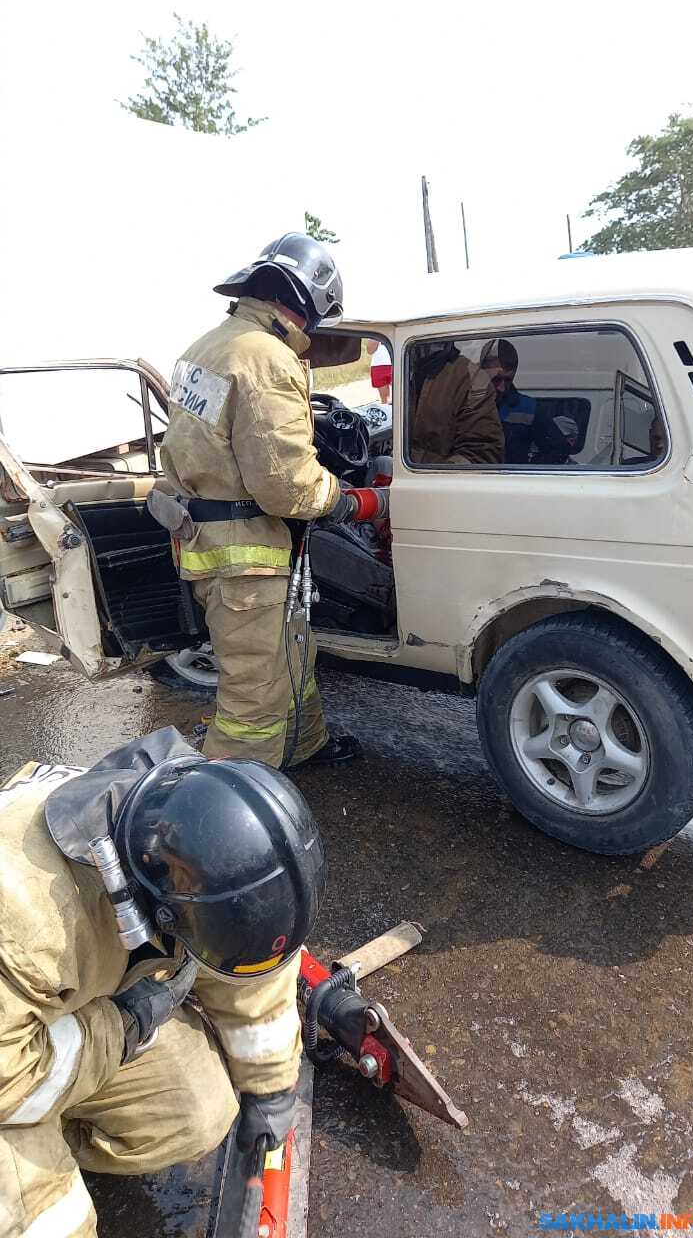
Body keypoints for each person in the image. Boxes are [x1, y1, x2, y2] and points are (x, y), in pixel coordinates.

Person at [0, 729, 326, 1238]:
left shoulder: (206, 828)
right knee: (50, 1222)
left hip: (54, 1020)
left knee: (197, 1112)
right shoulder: (25, 914)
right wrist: (125, 1024)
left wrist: (272, 1088)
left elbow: (250, 979)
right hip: (8, 1059)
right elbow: (8, 1078)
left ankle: (57, 1128)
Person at [159, 233, 361, 768]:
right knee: (254, 683)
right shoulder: (265, 357)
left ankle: (304, 745)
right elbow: (285, 483)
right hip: (247, 554)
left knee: (290, 655)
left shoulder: (203, 347)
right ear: (307, 304)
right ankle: (233, 796)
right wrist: (345, 500)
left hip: (218, 543)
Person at [408, 340, 505, 465]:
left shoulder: (471, 378)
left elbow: (482, 454)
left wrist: (416, 462)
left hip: (438, 482)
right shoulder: (404, 367)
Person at [485, 339, 573, 465]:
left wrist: (527, 470)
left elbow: (559, 449)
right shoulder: (465, 404)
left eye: (508, 380)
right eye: (496, 380)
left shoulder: (529, 408)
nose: (502, 387)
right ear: (482, 373)